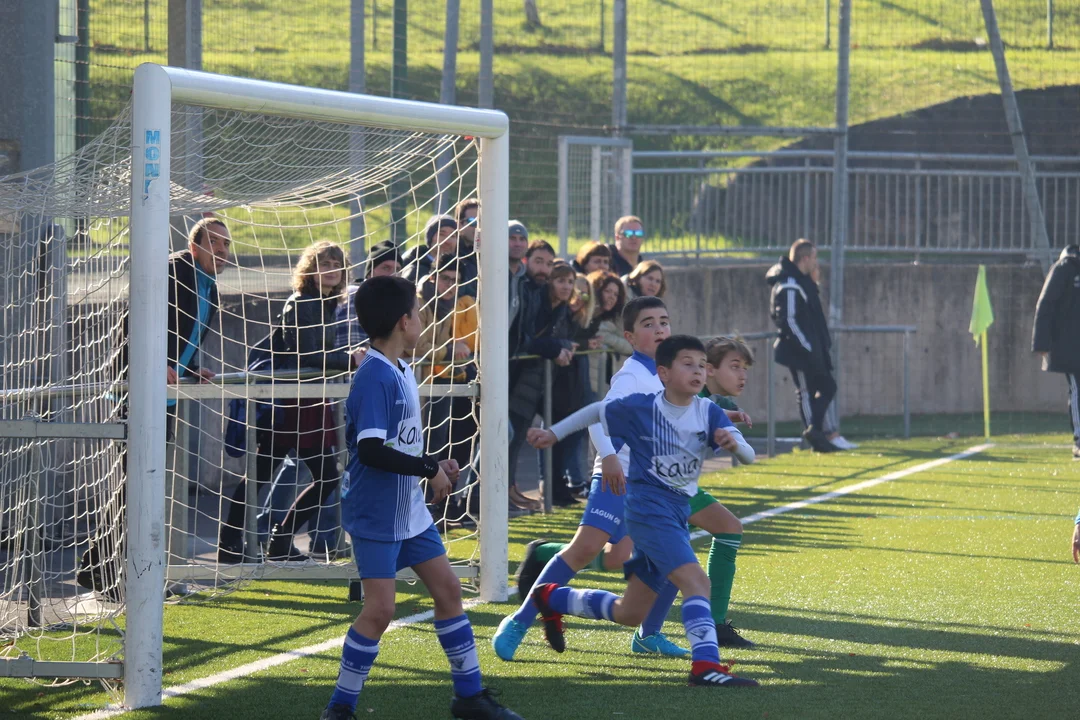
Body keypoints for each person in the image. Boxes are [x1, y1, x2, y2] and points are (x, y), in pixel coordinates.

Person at [319, 276, 522, 720]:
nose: (421, 320)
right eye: (417, 312)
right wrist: (428, 469)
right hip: (376, 512)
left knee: (448, 591)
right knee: (380, 610)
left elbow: (399, 445)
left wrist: (432, 462)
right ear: (404, 321)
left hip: (407, 509)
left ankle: (469, 697)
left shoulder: (402, 369)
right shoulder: (375, 376)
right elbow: (371, 450)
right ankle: (339, 708)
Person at [525, 335, 759, 689]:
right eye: (688, 364)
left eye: (701, 365)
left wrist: (735, 445)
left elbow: (748, 455)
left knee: (629, 612)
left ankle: (551, 596)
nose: (697, 371)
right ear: (663, 373)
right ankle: (705, 666)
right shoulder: (642, 406)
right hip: (648, 513)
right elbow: (596, 411)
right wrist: (553, 434)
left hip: (675, 514)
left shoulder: (708, 410)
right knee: (697, 582)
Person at [494, 297, 689, 661]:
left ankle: (649, 635)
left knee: (656, 558)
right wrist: (610, 457)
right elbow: (599, 417)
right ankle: (520, 620)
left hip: (652, 487)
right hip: (618, 477)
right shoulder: (632, 376)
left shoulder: (670, 373)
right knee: (585, 549)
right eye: (648, 324)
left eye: (664, 321)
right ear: (630, 337)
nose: (660, 329)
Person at [77, 217, 231, 599]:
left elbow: (182, 335)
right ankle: (107, 573)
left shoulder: (210, 286)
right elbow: (136, 324)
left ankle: (103, 569)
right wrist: (155, 362)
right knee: (136, 485)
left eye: (226, 244)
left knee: (142, 486)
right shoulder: (172, 271)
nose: (222, 250)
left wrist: (190, 368)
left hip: (164, 396)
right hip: (137, 392)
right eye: (214, 242)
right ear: (194, 246)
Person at [219, 241, 363, 562]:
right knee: (282, 473)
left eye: (336, 265)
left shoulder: (325, 303)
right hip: (291, 403)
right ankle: (241, 541)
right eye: (324, 264)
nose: (331, 270)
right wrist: (349, 359)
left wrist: (346, 357)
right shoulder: (301, 303)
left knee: (313, 474)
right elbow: (307, 355)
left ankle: (271, 540)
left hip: (308, 400)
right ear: (310, 269)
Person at [507, 262, 577, 509]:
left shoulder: (562, 310)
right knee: (510, 436)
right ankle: (500, 490)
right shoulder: (539, 304)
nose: (566, 286)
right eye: (561, 281)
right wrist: (557, 347)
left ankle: (510, 488)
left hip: (538, 381)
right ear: (550, 282)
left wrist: (563, 345)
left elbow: (563, 338)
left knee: (517, 435)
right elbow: (530, 340)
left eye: (570, 282)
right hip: (519, 377)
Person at [414, 257, 479, 516]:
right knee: (422, 445)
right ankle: (422, 505)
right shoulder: (419, 302)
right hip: (419, 384)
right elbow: (417, 347)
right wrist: (450, 350)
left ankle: (435, 505)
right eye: (445, 279)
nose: (450, 285)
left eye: (455, 281)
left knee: (439, 444)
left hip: (440, 381)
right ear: (433, 278)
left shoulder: (449, 304)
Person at [766, 239, 840, 453]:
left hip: (812, 348)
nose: (816, 262)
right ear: (805, 258)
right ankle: (816, 438)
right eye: (814, 258)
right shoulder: (789, 283)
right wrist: (807, 346)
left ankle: (816, 430)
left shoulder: (801, 282)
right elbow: (788, 321)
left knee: (828, 386)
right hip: (798, 351)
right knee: (806, 392)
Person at [550, 273, 601, 501]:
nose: (580, 297)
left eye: (585, 294)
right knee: (557, 434)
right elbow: (559, 340)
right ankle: (562, 485)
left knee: (574, 434)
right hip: (557, 384)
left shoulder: (582, 319)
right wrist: (582, 344)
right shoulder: (561, 314)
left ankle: (568, 483)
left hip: (575, 385)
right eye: (577, 291)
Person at [1032, 244, 1080, 460]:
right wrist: (1041, 343)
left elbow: (1045, 305)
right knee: (1077, 389)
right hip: (1071, 346)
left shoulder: (1063, 269)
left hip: (1069, 346)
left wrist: (1041, 344)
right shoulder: (1063, 269)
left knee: (1077, 390)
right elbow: (1046, 305)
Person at [337, 239, 401, 352]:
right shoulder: (355, 296)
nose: (393, 274)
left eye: (398, 269)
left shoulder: (397, 301)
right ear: (369, 272)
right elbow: (356, 349)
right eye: (386, 268)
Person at [401, 214, 458, 286]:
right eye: (441, 234)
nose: (447, 241)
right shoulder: (415, 271)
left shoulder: (463, 269)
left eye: (452, 236)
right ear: (430, 239)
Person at [454, 199, 481, 298]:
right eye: (472, 221)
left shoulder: (489, 254)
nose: (478, 227)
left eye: (482, 221)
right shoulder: (452, 253)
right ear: (459, 224)